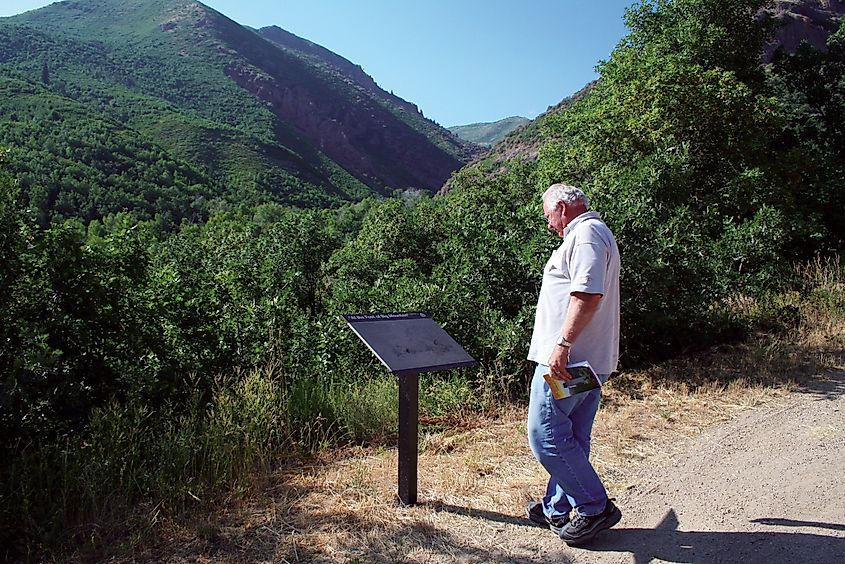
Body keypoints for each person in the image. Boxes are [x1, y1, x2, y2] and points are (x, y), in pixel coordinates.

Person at [525, 183, 622, 546]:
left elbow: (587, 293)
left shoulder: (585, 236)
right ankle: (558, 507)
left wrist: (562, 345)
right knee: (572, 435)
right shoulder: (594, 234)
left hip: (569, 362)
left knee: (545, 435)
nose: (549, 224)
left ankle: (594, 505)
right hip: (584, 361)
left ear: (563, 208)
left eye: (549, 216)